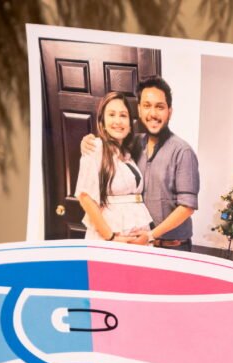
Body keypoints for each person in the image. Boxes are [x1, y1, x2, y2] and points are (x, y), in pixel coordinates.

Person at [83, 76, 200, 250]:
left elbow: (187, 207)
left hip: (171, 247)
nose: (153, 113)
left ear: (169, 111)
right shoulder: (132, 145)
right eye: (147, 105)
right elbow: (107, 147)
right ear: (139, 109)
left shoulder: (183, 152)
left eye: (159, 107)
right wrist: (87, 142)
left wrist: (150, 236)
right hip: (138, 245)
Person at [75, 91, 153, 242]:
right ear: (102, 121)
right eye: (111, 114)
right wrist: (111, 238)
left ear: (130, 124)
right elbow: (85, 197)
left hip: (137, 238)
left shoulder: (127, 153)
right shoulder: (95, 147)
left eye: (123, 115)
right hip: (112, 237)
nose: (118, 121)